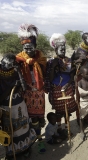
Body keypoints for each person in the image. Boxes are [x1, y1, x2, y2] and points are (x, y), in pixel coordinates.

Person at [16, 23, 47, 153]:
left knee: (40, 118)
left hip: (39, 92)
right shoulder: (19, 59)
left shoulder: (41, 58)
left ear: (35, 46)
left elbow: (45, 72)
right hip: (27, 93)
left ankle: (39, 138)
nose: (27, 51)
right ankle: (36, 141)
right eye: (25, 48)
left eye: (30, 48)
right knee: (32, 119)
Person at [0, 54, 37, 158]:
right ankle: (12, 153)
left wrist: (19, 72)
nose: (5, 66)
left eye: (10, 64)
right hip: (6, 107)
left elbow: (24, 87)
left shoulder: (14, 71)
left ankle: (25, 148)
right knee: (11, 130)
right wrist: (12, 87)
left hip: (19, 104)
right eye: (4, 63)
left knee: (23, 128)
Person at [44, 33, 78, 131]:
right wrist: (54, 66)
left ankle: (67, 129)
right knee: (59, 111)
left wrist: (68, 84)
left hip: (68, 88)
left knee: (67, 110)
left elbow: (72, 75)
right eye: (61, 49)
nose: (63, 51)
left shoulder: (69, 61)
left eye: (64, 49)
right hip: (56, 89)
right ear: (55, 50)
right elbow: (49, 79)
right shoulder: (51, 62)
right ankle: (59, 129)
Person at [71, 32, 88, 125]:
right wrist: (79, 61)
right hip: (81, 79)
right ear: (84, 40)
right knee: (82, 99)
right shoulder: (78, 51)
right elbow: (73, 67)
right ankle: (82, 119)